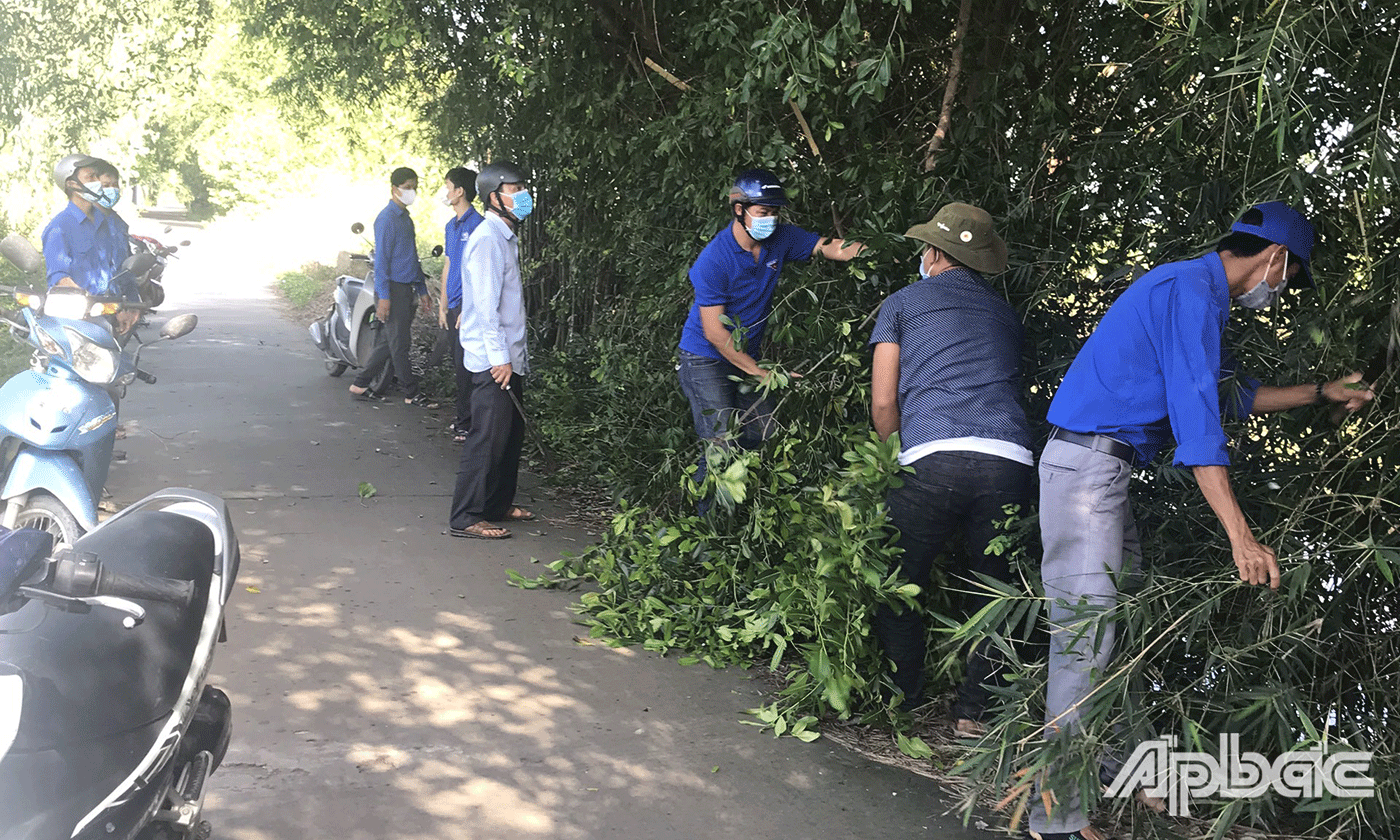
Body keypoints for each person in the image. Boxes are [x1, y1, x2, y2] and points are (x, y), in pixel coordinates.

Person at [1030, 202, 1375, 840]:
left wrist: (1319, 393)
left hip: (1099, 472)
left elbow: (1225, 396)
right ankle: (1054, 821)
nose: (1283, 290)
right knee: (1084, 640)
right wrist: (1241, 537)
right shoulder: (1187, 291)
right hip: (1086, 471)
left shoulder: (1195, 294)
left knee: (1115, 626)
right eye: (1290, 278)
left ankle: (1112, 773)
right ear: (1275, 259)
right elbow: (1198, 425)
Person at [867, 203, 1034, 736]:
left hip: (932, 455)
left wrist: (895, 457)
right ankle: (973, 715)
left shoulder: (901, 304)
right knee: (998, 593)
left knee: (898, 579)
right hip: (1009, 459)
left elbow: (884, 403)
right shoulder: (1004, 314)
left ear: (934, 254)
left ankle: (904, 696)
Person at [677, 168, 862, 511]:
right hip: (704, 358)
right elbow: (716, 334)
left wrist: (868, 251)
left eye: (775, 212)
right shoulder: (713, 260)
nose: (771, 220)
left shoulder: (781, 239)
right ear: (739, 210)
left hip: (744, 355)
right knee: (722, 443)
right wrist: (763, 373)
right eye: (763, 213)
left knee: (763, 432)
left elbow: (826, 247)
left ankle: (731, 511)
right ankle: (706, 528)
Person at [447, 162, 537, 540]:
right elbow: (484, 307)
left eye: (522, 189)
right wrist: (500, 359)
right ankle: (466, 516)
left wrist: (514, 358)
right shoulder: (486, 239)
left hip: (509, 357)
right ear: (493, 196)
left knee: (509, 436)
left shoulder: (503, 236)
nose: (522, 196)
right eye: (514, 190)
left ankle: (498, 503)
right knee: (486, 438)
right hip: (492, 361)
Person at [349, 167, 434, 404]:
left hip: (405, 288)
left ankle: (360, 384)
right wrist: (384, 297)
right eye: (407, 187)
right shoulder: (386, 219)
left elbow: (411, 257)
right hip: (393, 289)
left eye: (414, 187)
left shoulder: (406, 219)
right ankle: (411, 393)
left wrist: (422, 289)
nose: (412, 192)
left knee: (389, 343)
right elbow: (382, 262)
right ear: (394, 189)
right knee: (400, 345)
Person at [438, 167, 484, 442]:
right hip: (454, 305)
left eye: (448, 187)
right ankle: (463, 420)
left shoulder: (477, 224)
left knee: (468, 365)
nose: (446, 192)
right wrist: (444, 304)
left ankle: (468, 423)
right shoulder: (450, 226)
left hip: (470, 306)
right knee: (458, 364)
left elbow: (478, 272)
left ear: (460, 191)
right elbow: (449, 264)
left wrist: (468, 306)